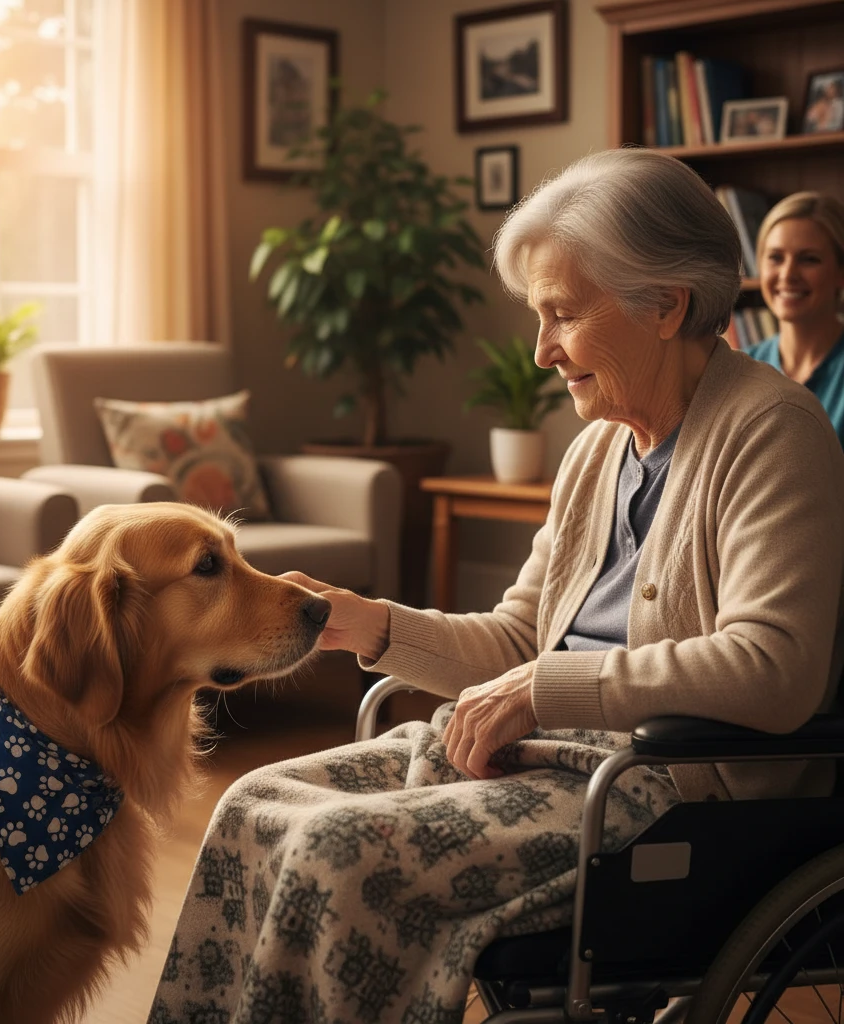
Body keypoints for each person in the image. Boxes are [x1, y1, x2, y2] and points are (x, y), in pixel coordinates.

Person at [149, 149, 844, 1024]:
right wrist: (372, 627)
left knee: (337, 853)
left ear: (666, 306)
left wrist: (541, 690)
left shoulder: (774, 432)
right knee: (254, 805)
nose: (544, 348)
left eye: (562, 314)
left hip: (656, 793)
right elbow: (523, 638)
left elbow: (773, 669)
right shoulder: (598, 449)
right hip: (538, 760)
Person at [746, 191, 844, 447]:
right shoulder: (741, 369)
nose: (788, 274)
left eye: (808, 259)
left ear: (840, 272)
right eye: (776, 258)